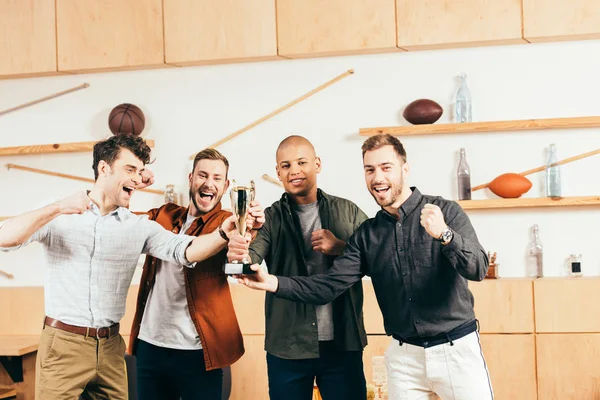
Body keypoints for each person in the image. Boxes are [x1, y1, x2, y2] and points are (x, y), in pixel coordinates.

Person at [234, 133, 494, 400]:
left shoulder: (445, 212)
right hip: (404, 356)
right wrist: (272, 282)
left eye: (386, 167)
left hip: (456, 349)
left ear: (405, 169)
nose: (377, 177)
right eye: (370, 169)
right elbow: (328, 286)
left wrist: (444, 235)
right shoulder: (367, 234)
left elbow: (478, 268)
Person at [0, 135, 250, 400]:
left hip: (111, 348)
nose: (137, 177)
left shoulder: (137, 226)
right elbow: (5, 238)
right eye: (130, 169)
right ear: (104, 169)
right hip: (63, 343)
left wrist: (224, 232)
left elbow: (186, 251)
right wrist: (59, 207)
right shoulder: (60, 215)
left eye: (140, 171)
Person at [128, 148, 264, 400]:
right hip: (151, 347)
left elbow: (237, 249)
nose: (208, 183)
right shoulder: (164, 214)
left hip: (198, 352)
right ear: (190, 179)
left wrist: (244, 239)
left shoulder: (227, 221)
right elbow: (124, 225)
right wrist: (133, 183)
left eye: (216, 178)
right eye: (202, 175)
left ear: (225, 186)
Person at [247, 135, 369, 400]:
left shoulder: (348, 211)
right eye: (286, 165)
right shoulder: (269, 218)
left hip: (343, 345)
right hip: (287, 347)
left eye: (302, 162)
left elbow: (378, 259)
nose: (295, 171)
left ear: (317, 164)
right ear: (278, 172)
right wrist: (245, 238)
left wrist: (340, 247)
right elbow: (251, 256)